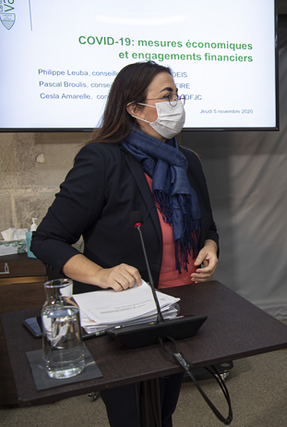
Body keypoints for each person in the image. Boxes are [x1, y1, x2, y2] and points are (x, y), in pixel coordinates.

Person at [31, 61, 219, 427]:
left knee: (163, 409)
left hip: (178, 308)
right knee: (131, 416)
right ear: (133, 108)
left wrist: (210, 247)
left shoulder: (187, 161)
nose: (176, 103)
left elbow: (208, 227)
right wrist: (100, 273)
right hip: (121, 316)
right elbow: (47, 240)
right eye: (167, 96)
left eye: (177, 95)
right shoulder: (101, 158)